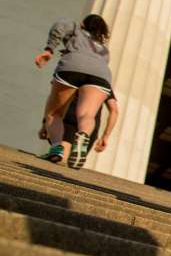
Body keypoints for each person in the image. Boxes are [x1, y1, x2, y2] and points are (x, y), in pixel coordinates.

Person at [35, 15, 116, 169]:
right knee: (87, 115)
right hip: (101, 73)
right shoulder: (104, 50)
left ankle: (57, 148)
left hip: (72, 66)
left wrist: (49, 49)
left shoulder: (75, 28)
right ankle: (83, 137)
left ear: (83, 24)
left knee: (54, 113)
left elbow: (60, 26)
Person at [43, 93, 120, 166]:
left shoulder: (72, 78)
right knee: (72, 163)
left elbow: (55, 101)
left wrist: (45, 124)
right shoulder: (104, 84)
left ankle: (59, 156)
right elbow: (114, 110)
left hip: (70, 117)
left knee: (61, 159)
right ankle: (80, 143)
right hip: (90, 125)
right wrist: (105, 137)